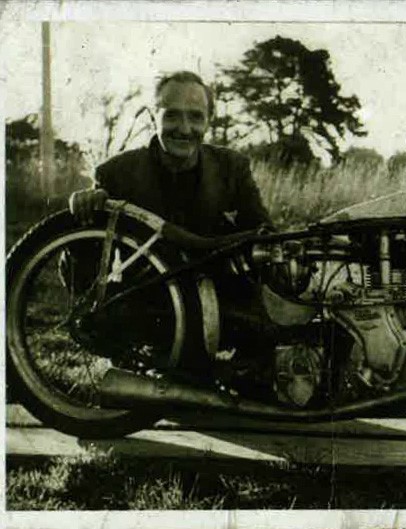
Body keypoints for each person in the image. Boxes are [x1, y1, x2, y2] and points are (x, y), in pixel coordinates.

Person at [68, 70, 275, 386]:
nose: (185, 128)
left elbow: (265, 235)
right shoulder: (116, 173)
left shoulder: (232, 167)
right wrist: (83, 217)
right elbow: (78, 274)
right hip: (150, 310)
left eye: (196, 117)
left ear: (209, 121)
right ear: (154, 116)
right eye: (173, 116)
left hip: (217, 302)